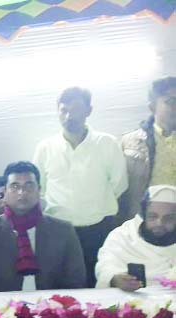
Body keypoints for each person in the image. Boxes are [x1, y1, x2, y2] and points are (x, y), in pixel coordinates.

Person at [33, 86, 128, 287]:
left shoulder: (107, 143)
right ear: (57, 110)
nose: (69, 116)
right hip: (58, 230)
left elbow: (119, 184)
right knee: (61, 286)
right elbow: (38, 189)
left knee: (98, 283)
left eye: (75, 109)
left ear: (89, 111)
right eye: (64, 110)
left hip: (99, 228)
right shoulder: (45, 147)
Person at [0, 161, 86, 292]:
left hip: (52, 309)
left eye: (29, 185)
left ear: (39, 190)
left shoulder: (64, 231)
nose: (22, 192)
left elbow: (76, 282)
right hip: (2, 309)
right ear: (5, 191)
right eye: (15, 186)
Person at [96, 185, 176, 290]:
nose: (159, 223)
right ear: (143, 215)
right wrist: (115, 278)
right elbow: (106, 265)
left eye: (169, 218)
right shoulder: (124, 236)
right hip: (129, 299)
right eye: (152, 216)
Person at [120, 76, 176, 220]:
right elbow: (118, 190)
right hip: (144, 220)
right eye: (171, 101)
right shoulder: (130, 142)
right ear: (152, 107)